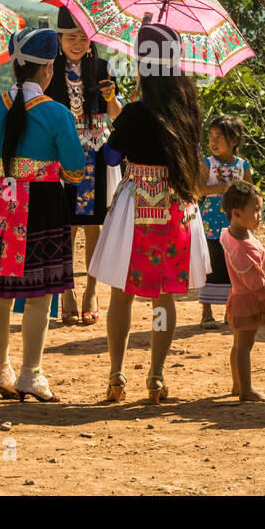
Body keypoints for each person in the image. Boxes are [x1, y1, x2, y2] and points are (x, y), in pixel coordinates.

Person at [0, 25, 86, 402]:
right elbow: (76, 170)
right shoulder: (57, 113)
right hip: (44, 206)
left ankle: (1, 370)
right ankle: (31, 374)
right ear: (48, 70)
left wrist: (0, 173)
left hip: (0, 203)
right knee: (39, 295)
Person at [89, 21, 210, 404]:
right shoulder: (186, 110)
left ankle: (116, 373)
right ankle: (156, 376)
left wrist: (117, 125)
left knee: (122, 294)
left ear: (143, 66)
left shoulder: (135, 114)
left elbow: (110, 157)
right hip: (176, 209)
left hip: (135, 206)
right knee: (162, 297)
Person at [45, 6, 123, 324]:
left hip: (95, 153)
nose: (77, 43)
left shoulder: (102, 69)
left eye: (83, 37)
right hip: (61, 154)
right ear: (59, 38)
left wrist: (110, 98)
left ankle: (91, 291)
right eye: (70, 37)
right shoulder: (49, 70)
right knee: (67, 226)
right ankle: (67, 293)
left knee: (93, 225)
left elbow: (116, 115)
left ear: (91, 41)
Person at [221, 180, 265, 401]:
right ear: (236, 213)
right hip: (248, 300)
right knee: (244, 346)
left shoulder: (232, 233)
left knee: (238, 344)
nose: (260, 214)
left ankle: (237, 384)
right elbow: (256, 285)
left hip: (239, 297)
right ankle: (246, 389)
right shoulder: (243, 246)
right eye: (256, 210)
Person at [198, 114, 253, 329]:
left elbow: (252, 192)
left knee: (234, 267)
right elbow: (200, 189)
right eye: (211, 136)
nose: (213, 141)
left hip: (236, 224)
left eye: (219, 136)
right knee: (211, 264)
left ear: (234, 141)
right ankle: (206, 312)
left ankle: (231, 310)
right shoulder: (207, 163)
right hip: (210, 223)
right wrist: (224, 188)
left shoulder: (243, 165)